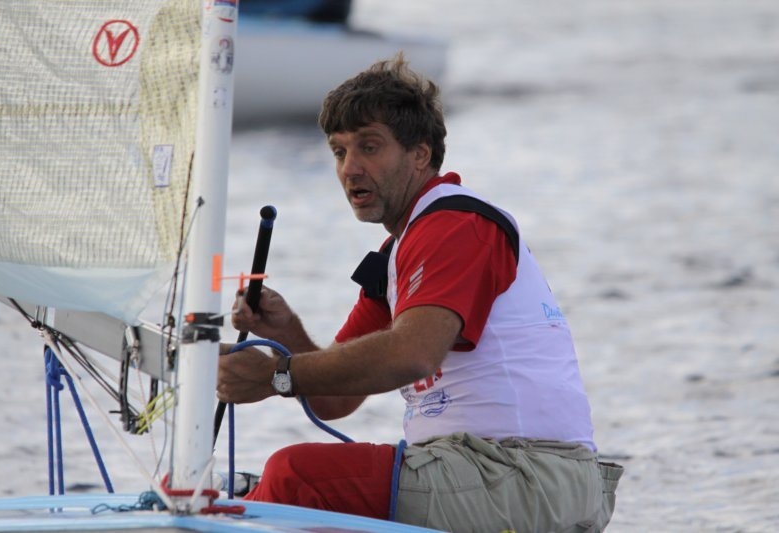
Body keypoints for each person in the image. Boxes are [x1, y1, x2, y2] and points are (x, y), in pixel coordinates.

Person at [217, 55, 623, 532]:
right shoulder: (398, 253)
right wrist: (284, 334)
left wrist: (276, 375)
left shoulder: (456, 224)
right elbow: (334, 401)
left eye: (370, 147)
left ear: (420, 154)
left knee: (294, 475)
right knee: (280, 488)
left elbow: (413, 354)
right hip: (491, 475)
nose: (350, 169)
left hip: (525, 475)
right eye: (339, 151)